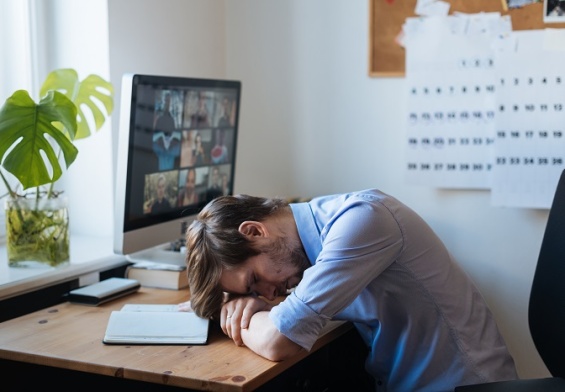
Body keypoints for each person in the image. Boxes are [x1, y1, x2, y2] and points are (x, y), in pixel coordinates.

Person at [182, 189, 518, 392]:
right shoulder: (309, 245)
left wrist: (242, 315)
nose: (268, 295)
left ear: (254, 231)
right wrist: (239, 299)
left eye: (254, 282)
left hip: (464, 387)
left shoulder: (362, 221)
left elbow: (278, 341)